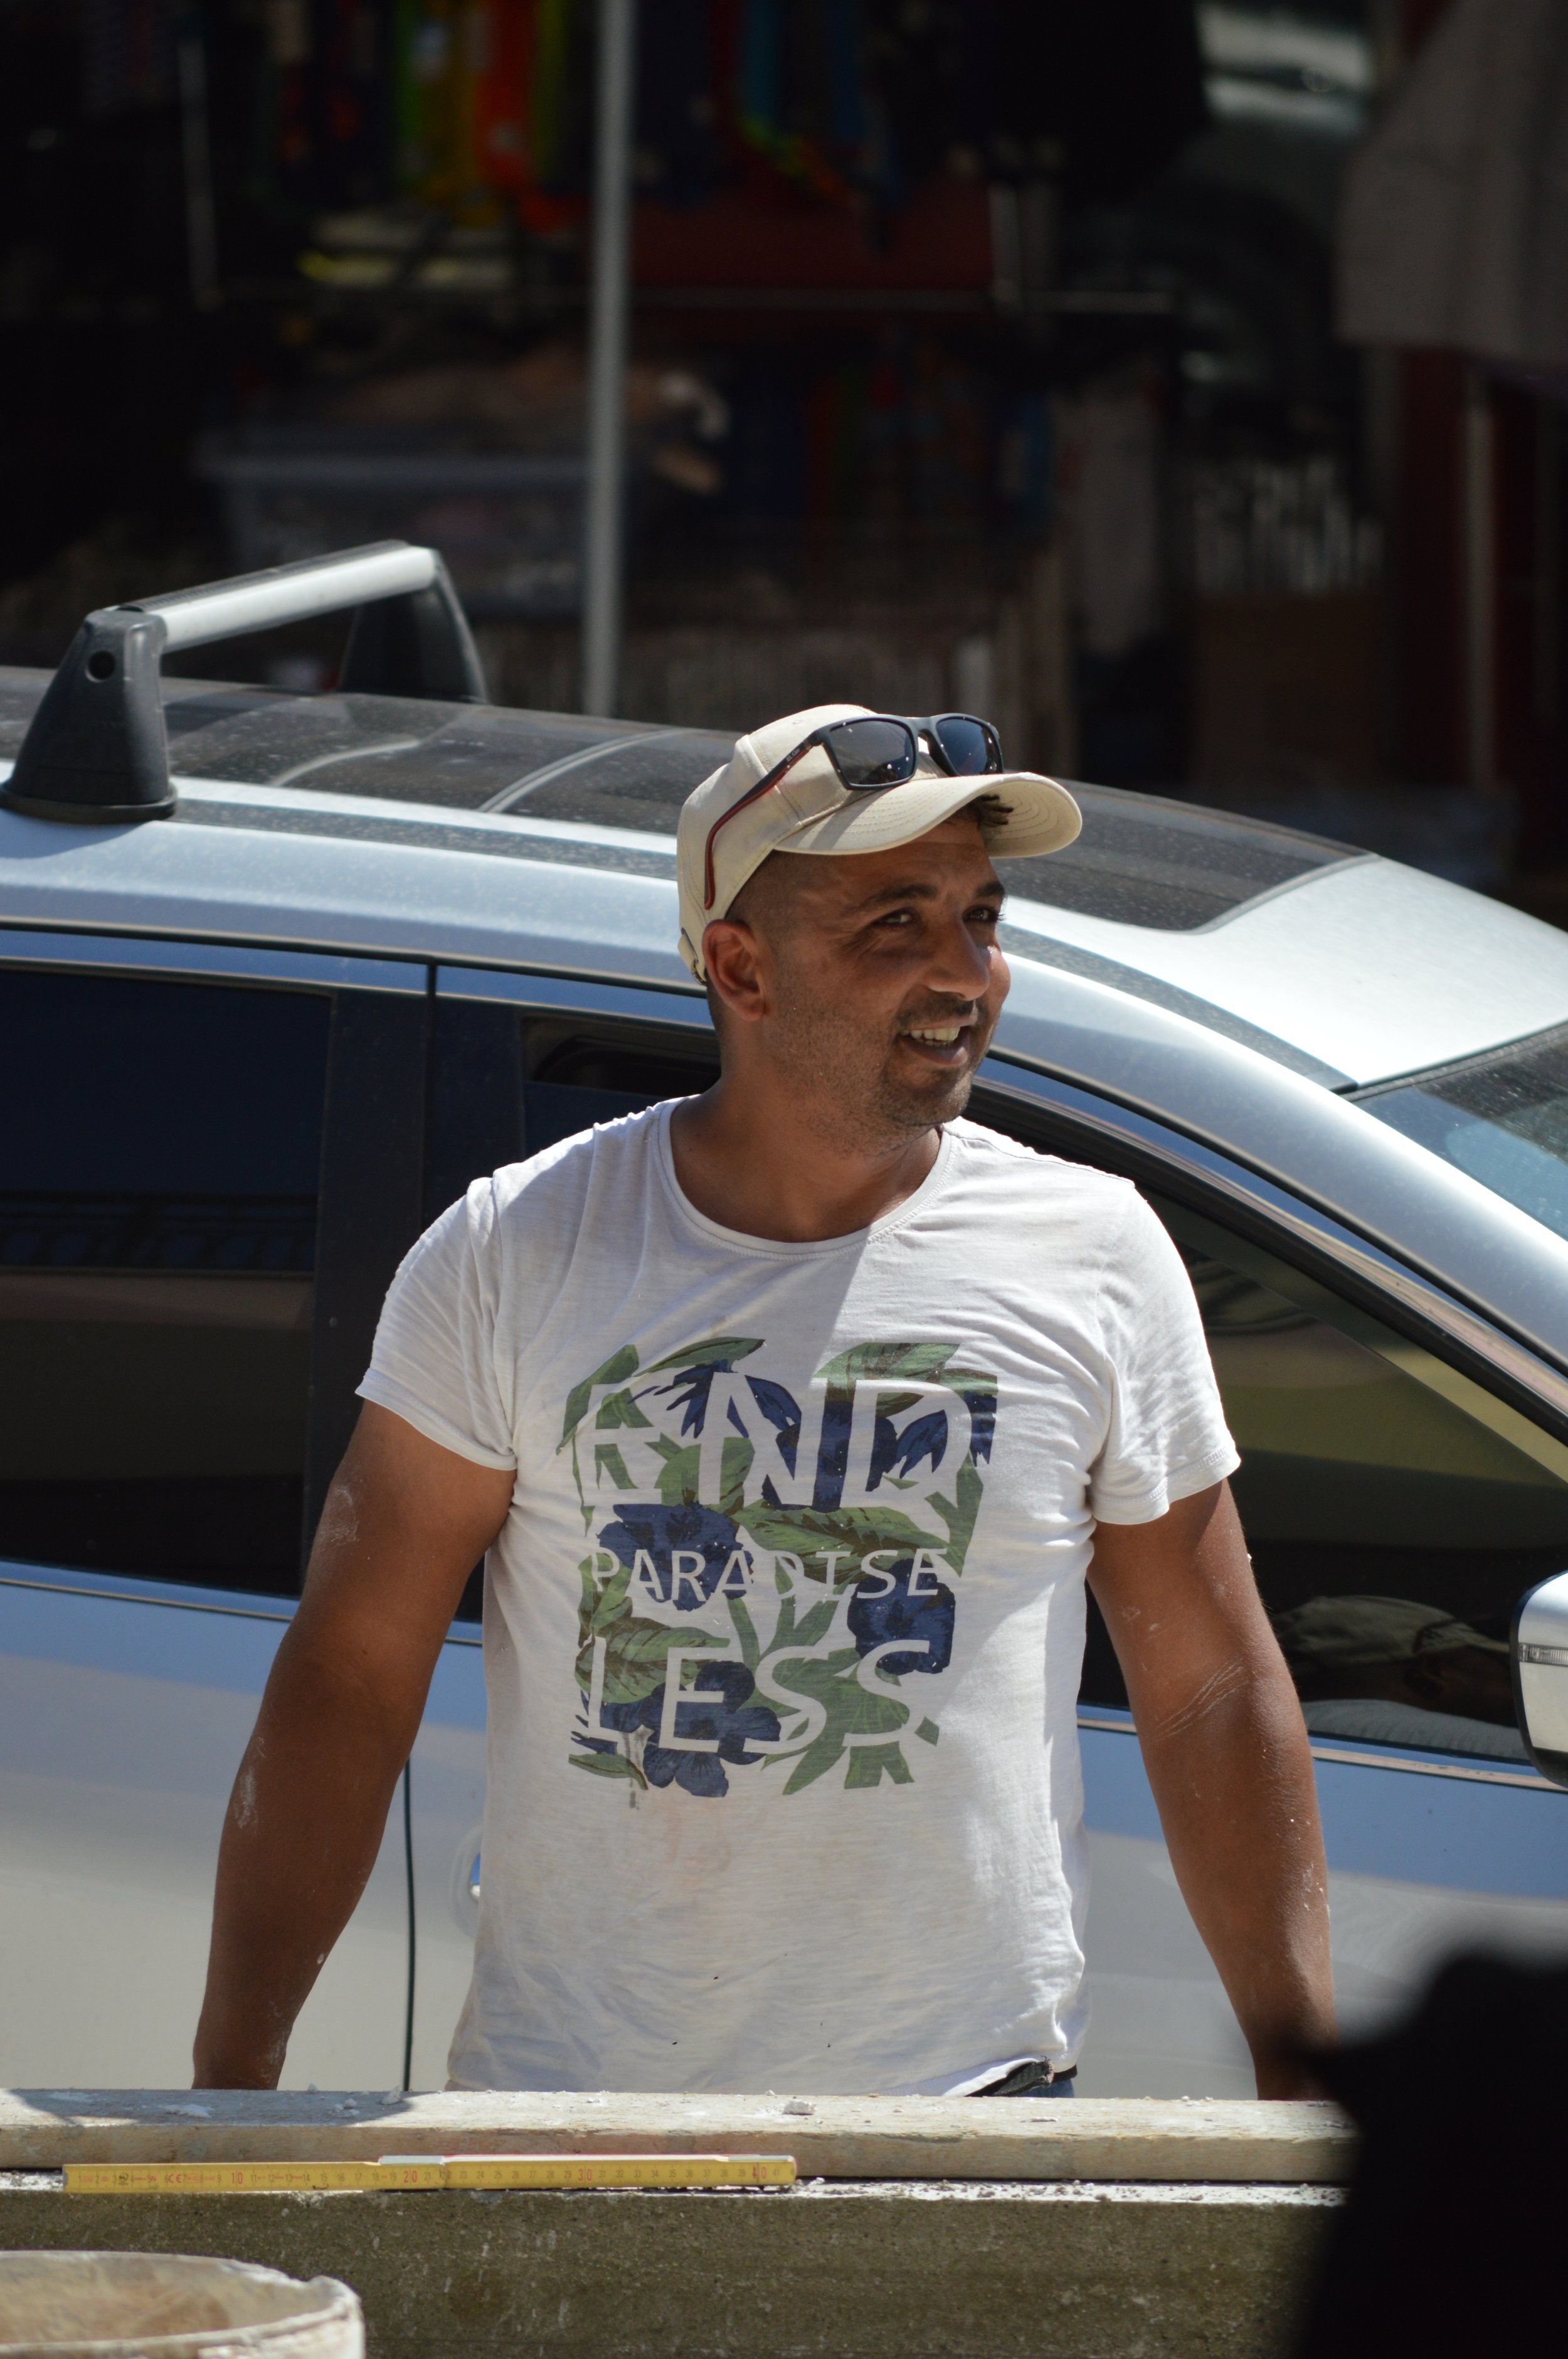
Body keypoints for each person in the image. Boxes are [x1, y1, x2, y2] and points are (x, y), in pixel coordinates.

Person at [194, 702, 1335, 2097]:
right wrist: (228, 2077)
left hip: (966, 2110)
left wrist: (1300, 2088)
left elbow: (1210, 1685)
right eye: (893, 926)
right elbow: (351, 1678)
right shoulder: (517, 1251)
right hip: (573, 2119)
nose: (964, 972)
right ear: (738, 964)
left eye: (980, 916)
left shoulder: (1093, 1253)